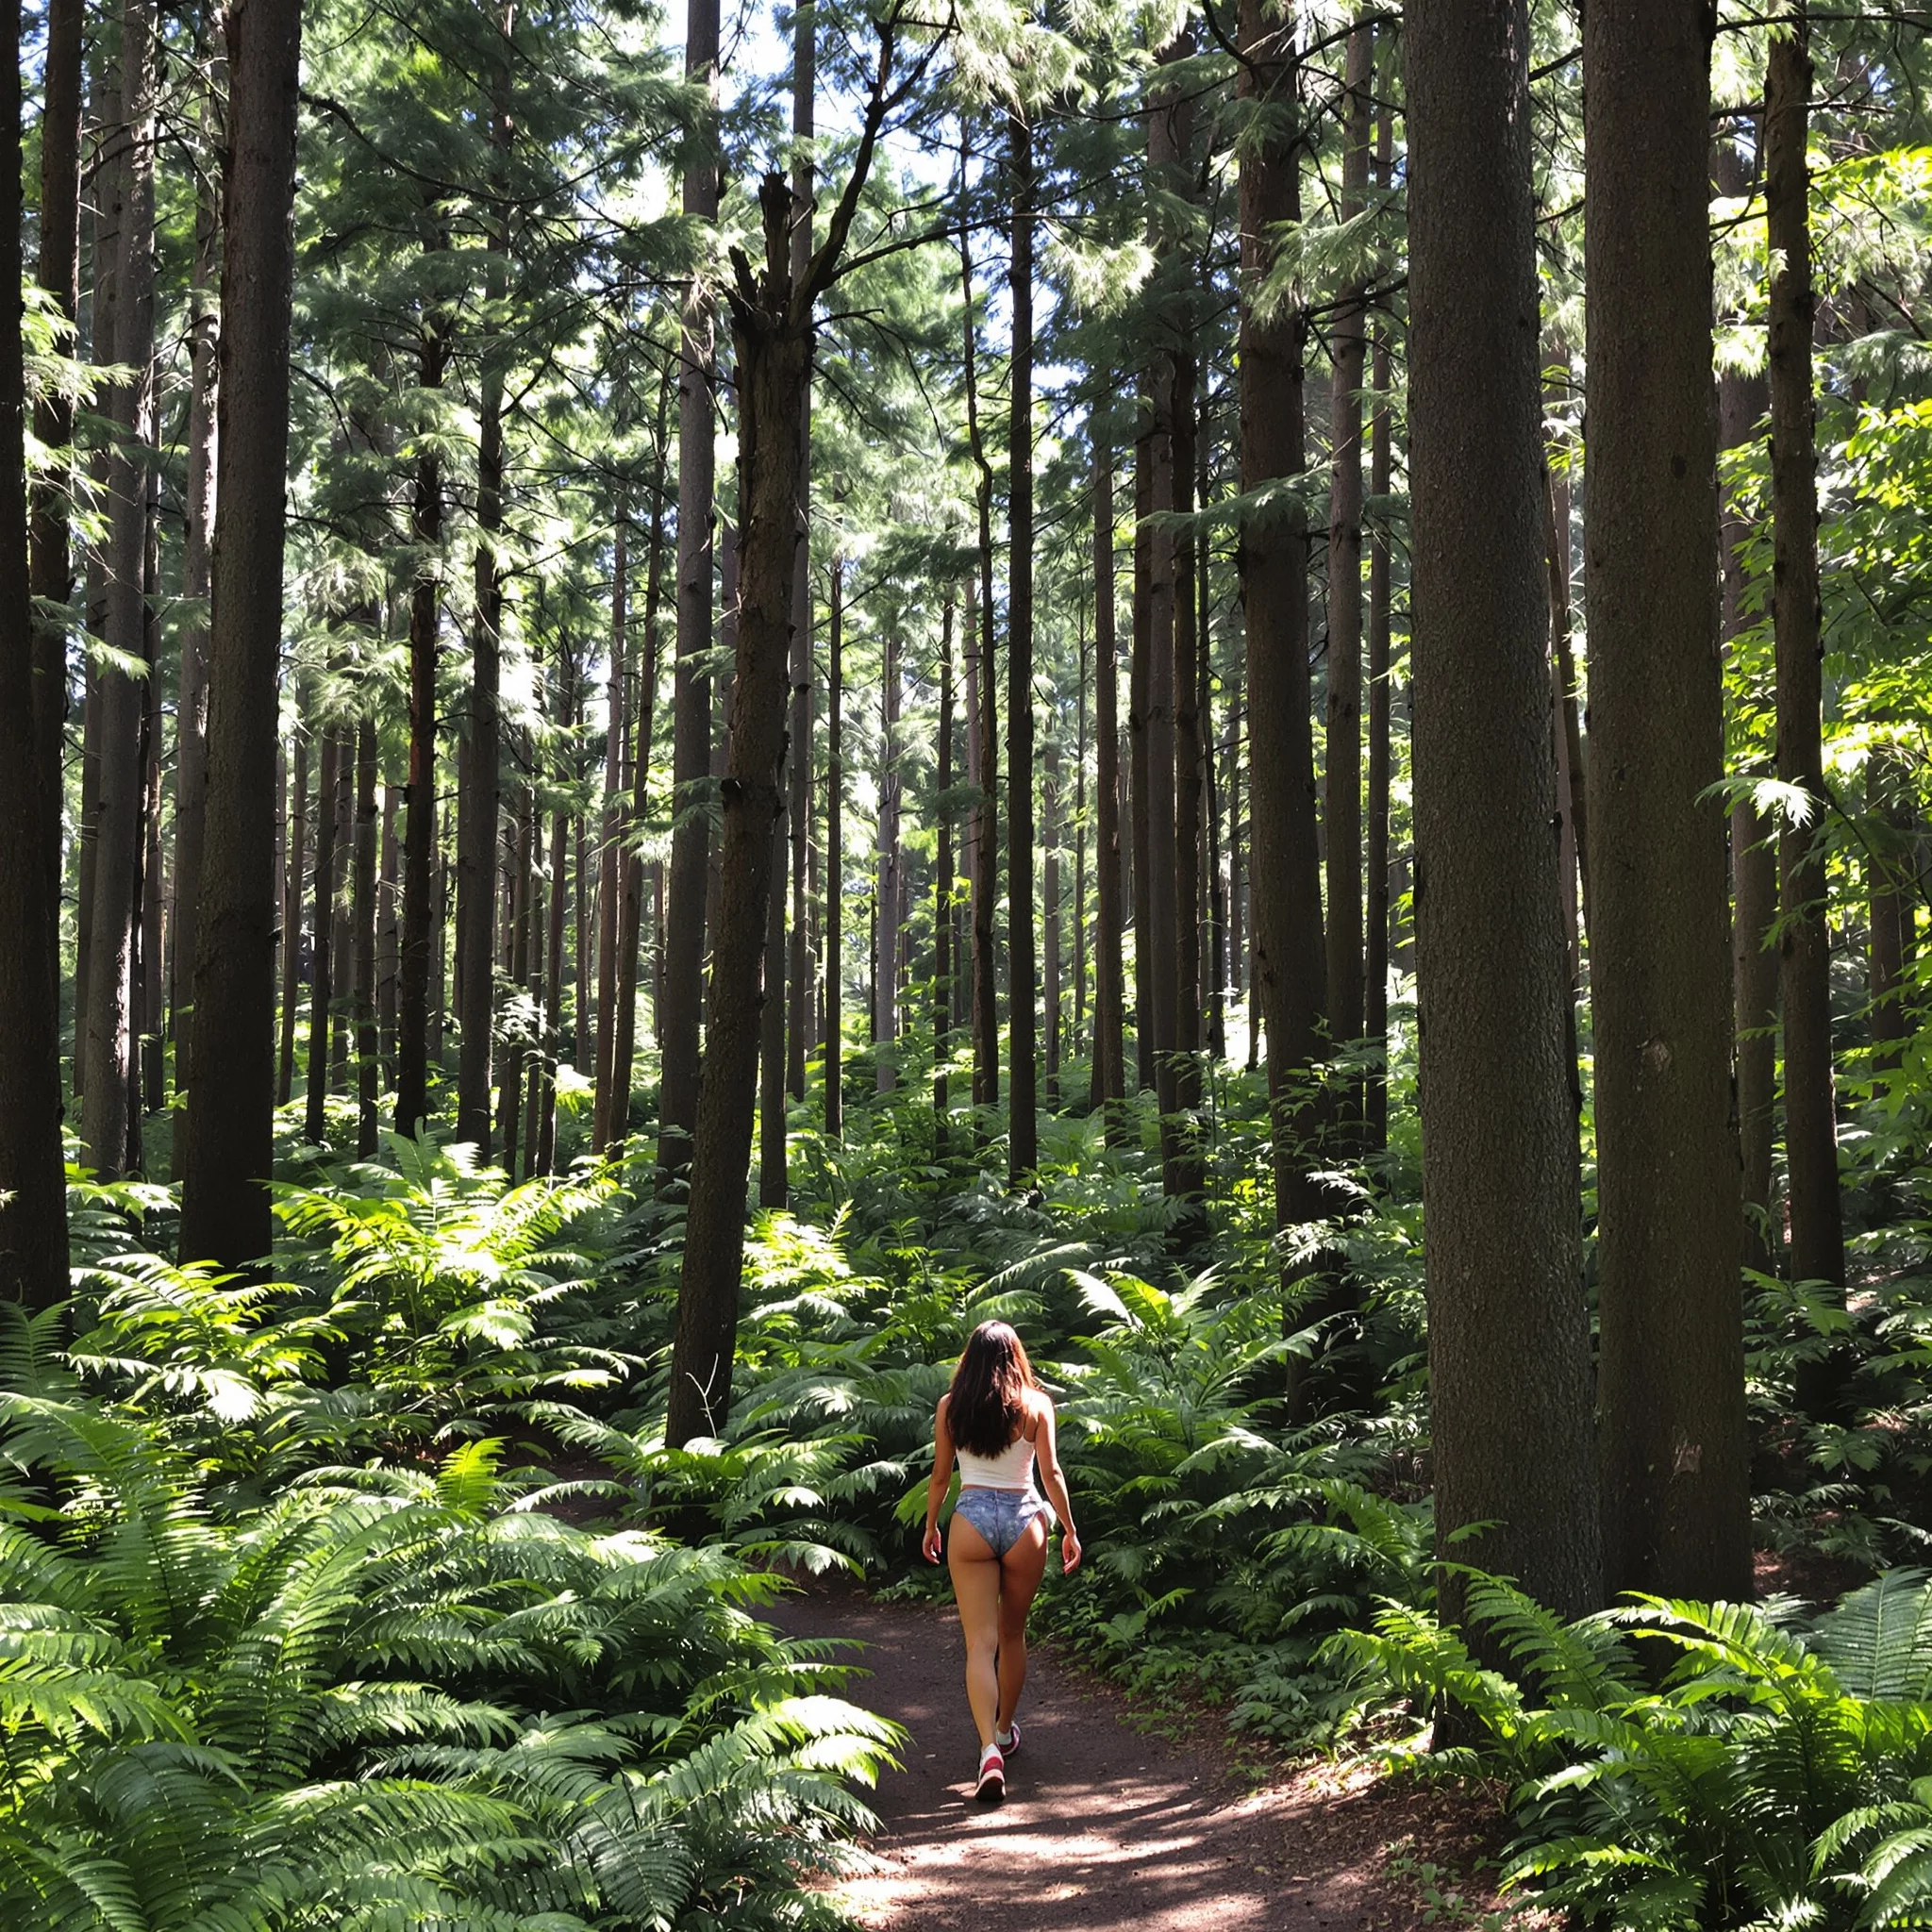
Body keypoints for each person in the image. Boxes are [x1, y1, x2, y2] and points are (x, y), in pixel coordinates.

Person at [921, 1320, 1082, 1803]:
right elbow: (1050, 1473)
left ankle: (988, 1748)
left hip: (969, 1522)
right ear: (1016, 1358)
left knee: (978, 1643)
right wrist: (1070, 1529)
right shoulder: (1036, 1406)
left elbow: (940, 1477)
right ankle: (1006, 1729)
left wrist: (931, 1525)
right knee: (1012, 1634)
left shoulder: (951, 1408)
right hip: (1025, 1522)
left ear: (969, 1360)